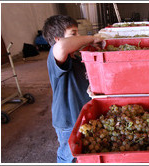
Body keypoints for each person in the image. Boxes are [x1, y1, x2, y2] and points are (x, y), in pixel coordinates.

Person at [42, 15, 102, 163]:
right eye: (73, 34)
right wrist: (92, 38)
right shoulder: (56, 58)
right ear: (57, 39)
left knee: (82, 153)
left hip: (81, 116)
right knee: (69, 156)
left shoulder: (76, 59)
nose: (79, 37)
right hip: (69, 121)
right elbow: (62, 47)